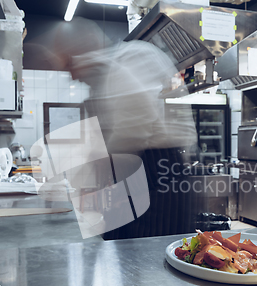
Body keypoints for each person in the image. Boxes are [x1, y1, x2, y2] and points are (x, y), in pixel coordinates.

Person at [51, 18, 201, 240]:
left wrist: (101, 170)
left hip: (159, 173)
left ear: (87, 48)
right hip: (136, 172)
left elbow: (136, 127)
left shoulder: (128, 60)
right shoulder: (102, 80)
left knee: (153, 252)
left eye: (70, 63)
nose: (71, 75)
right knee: (120, 248)